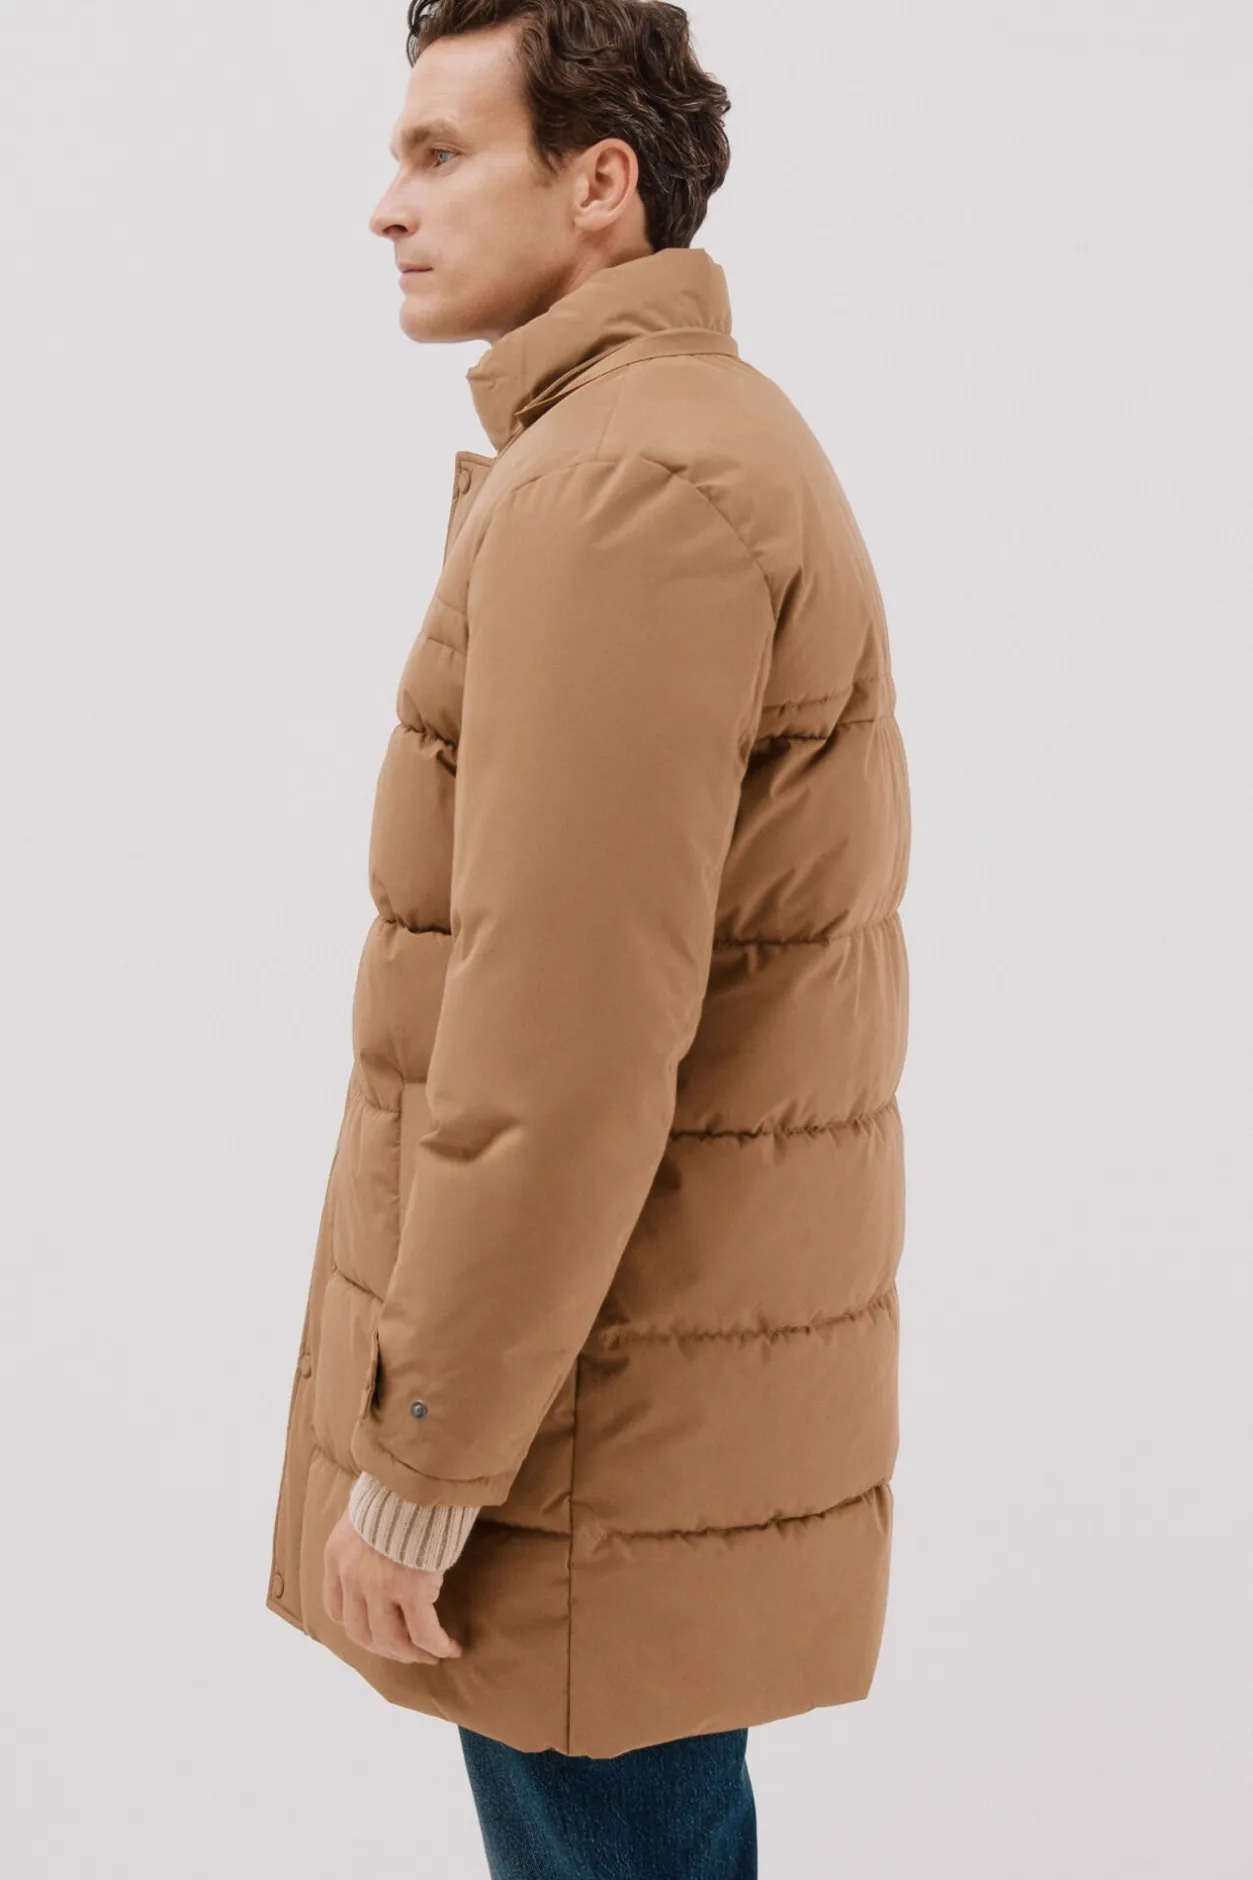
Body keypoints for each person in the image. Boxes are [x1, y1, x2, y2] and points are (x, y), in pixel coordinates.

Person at [265, 2, 911, 1873]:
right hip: (632, 1396)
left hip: (589, 1432)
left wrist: (422, 1461)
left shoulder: (625, 490)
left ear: (600, 183)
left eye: (441, 152)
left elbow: (561, 1047)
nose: (389, 205)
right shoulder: (676, 445)